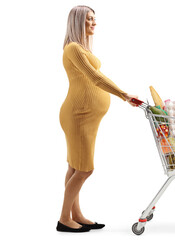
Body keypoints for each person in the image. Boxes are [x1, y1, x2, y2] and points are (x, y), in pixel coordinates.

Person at [57, 5, 138, 233]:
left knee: (75, 166)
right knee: (84, 170)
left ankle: (76, 214)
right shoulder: (73, 48)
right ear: (78, 22)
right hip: (78, 116)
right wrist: (123, 94)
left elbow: (94, 77)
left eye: (94, 19)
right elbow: (95, 77)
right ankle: (64, 219)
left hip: (84, 117)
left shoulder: (80, 49)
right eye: (89, 19)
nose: (94, 23)